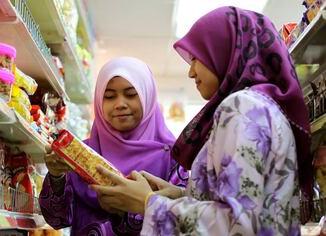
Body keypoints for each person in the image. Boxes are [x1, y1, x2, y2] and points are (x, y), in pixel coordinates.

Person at [90, 6, 312, 235]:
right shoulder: (262, 106)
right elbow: (253, 205)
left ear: (224, 50)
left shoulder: (242, 108)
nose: (191, 72)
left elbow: (238, 225)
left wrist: (147, 203)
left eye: (196, 57)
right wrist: (181, 195)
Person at [39, 56, 188, 235]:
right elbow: (58, 219)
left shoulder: (175, 158)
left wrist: (135, 206)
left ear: (148, 96)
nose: (120, 104)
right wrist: (56, 177)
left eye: (131, 94)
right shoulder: (78, 154)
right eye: (109, 96)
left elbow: (184, 225)